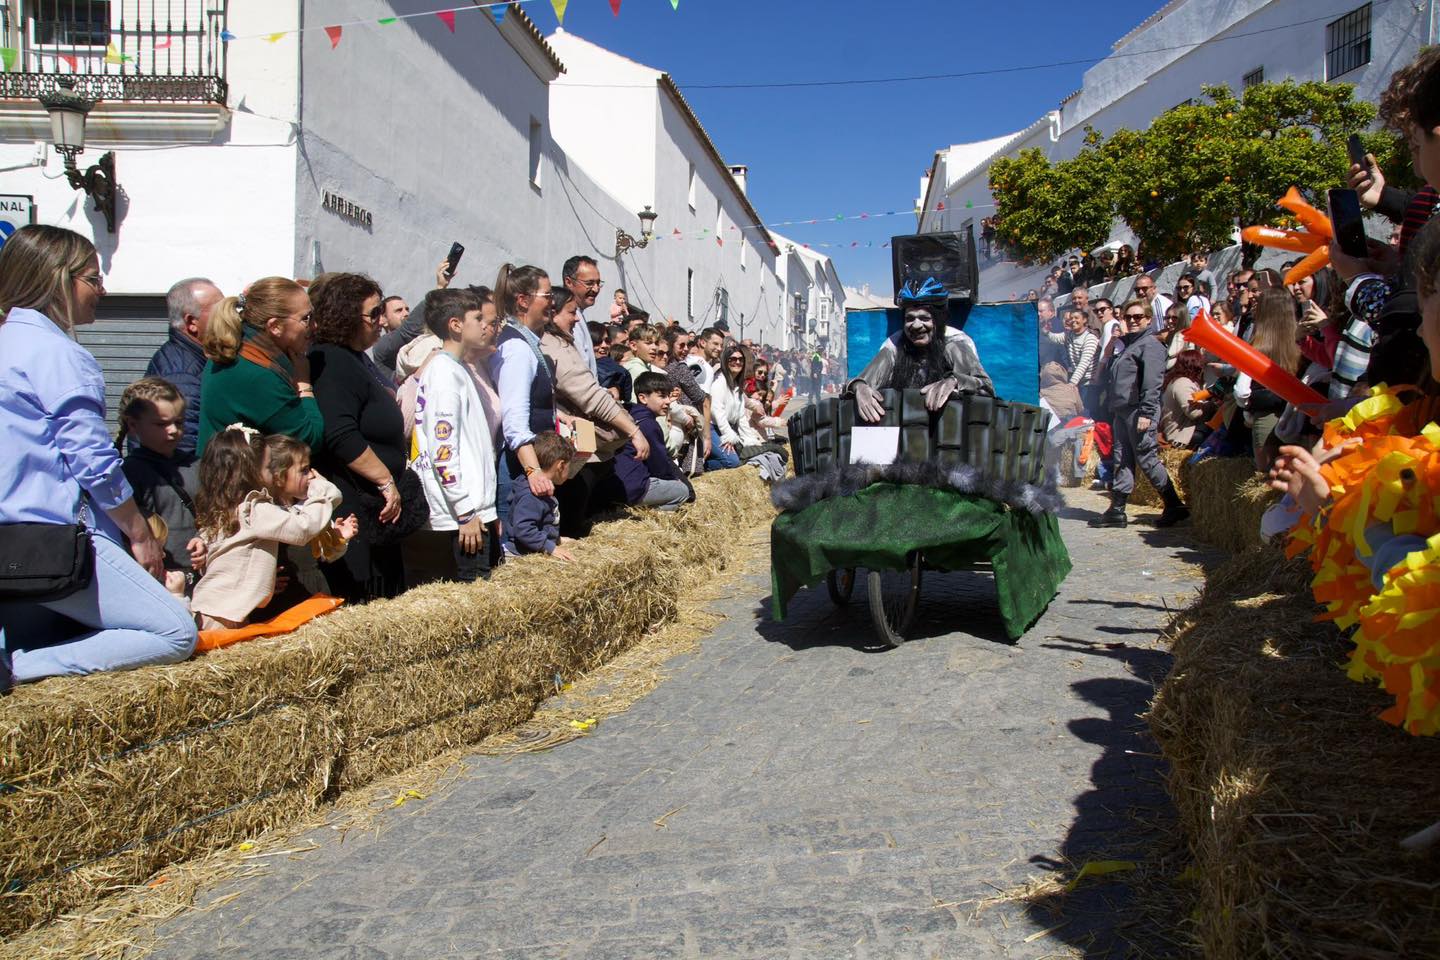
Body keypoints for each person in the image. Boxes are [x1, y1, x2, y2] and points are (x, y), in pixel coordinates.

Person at [0, 226, 197, 686]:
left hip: (14, 537)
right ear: (58, 280)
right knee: (174, 632)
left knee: (50, 635)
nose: (102, 290)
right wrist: (139, 531)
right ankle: (12, 671)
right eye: (92, 278)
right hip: (54, 539)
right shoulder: (58, 354)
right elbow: (92, 459)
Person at [308, 272, 411, 601]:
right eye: (374, 313)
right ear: (345, 317)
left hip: (374, 512)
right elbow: (341, 434)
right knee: (364, 599)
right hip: (353, 506)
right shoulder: (332, 362)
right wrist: (385, 481)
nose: (381, 321)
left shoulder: (356, 358)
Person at [191, 428, 355, 629]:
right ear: (250, 471)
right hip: (224, 613)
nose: (273, 472)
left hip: (216, 608)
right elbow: (302, 528)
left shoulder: (230, 506)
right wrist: (321, 488)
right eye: (269, 467)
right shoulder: (254, 509)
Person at [542, 286, 648, 535]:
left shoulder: (561, 343)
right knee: (574, 510)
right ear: (553, 313)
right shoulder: (555, 347)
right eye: (571, 312)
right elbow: (589, 396)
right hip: (576, 445)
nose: (576, 318)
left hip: (580, 442)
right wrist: (633, 430)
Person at [413, 288, 500, 582]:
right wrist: (464, 510)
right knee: (474, 596)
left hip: (476, 509)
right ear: (456, 325)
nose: (485, 324)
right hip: (465, 514)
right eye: (477, 318)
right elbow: (443, 448)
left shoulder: (457, 368)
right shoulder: (443, 374)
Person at [1090, 298, 1188, 528]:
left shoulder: (1150, 345)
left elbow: (1152, 383)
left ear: (1148, 319)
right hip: (1123, 410)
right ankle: (1117, 509)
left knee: (1146, 458)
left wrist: (1146, 412)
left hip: (1138, 410)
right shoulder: (1128, 344)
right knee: (1121, 458)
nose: (1132, 321)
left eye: (1138, 317)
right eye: (1128, 317)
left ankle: (1174, 504)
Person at [198, 277, 325, 455]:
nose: (315, 326)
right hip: (235, 478)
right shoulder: (257, 373)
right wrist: (304, 384)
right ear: (275, 326)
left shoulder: (237, 346)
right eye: (306, 319)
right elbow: (308, 440)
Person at [849, 279, 994, 423]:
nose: (916, 325)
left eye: (924, 318)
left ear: (938, 320)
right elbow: (861, 381)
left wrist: (954, 381)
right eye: (910, 318)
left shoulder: (954, 344)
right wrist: (859, 387)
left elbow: (986, 387)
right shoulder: (893, 348)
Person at [117, 377, 205, 592]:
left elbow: (215, 513)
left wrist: (205, 538)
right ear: (133, 425)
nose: (174, 430)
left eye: (179, 422)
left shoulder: (198, 466)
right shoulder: (128, 473)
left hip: (202, 575)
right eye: (161, 424)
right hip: (159, 581)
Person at [491, 263, 560, 532]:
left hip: (530, 468)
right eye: (548, 296)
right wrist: (533, 472)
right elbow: (515, 422)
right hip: (519, 472)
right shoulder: (517, 349)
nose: (552, 302)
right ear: (523, 300)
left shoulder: (526, 342)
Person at [146, 277, 223, 463]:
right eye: (220, 311)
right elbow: (184, 449)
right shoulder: (181, 375)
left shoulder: (197, 359)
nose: (229, 317)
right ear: (192, 322)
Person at [1233, 289, 1301, 471]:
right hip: (1297, 416)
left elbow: (1242, 391)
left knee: (1267, 474)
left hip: (1266, 417)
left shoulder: (1258, 346)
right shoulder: (1302, 340)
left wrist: (1246, 407)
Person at [616, 372, 695, 511]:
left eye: (668, 396)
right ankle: (651, 518)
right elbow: (660, 466)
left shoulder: (631, 415)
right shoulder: (649, 424)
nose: (668, 401)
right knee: (683, 491)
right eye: (661, 396)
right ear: (643, 398)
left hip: (618, 484)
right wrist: (674, 480)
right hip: (635, 487)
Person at [710, 341, 790, 463]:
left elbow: (741, 416)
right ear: (726, 361)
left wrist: (749, 439)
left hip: (731, 427)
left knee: (746, 455)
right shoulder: (720, 382)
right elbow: (717, 411)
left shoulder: (737, 384)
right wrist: (728, 435)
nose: (737, 362)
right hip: (715, 428)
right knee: (733, 462)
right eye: (733, 359)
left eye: (740, 359)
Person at [508, 430, 576, 561]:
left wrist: (556, 539)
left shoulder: (541, 490)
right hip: (523, 556)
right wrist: (550, 547)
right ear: (561, 465)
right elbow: (523, 529)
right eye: (569, 466)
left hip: (535, 551)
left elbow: (542, 524)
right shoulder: (532, 495)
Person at [561, 255, 603, 378]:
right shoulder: (565, 317)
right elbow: (579, 369)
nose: (595, 289)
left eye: (598, 283)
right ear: (569, 282)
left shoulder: (579, 314)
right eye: (589, 283)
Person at [1159, 349, 1207, 448]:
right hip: (1179, 433)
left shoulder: (1179, 380)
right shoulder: (1183, 383)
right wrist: (1212, 405)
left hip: (1179, 428)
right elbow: (1193, 413)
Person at [1044, 307, 1100, 388]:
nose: (1073, 320)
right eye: (1071, 318)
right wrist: (1046, 332)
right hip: (1078, 381)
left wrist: (1072, 383)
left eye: (1076, 318)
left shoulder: (1090, 338)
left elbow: (1083, 363)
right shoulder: (1070, 334)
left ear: (1084, 320)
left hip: (1089, 383)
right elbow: (1057, 338)